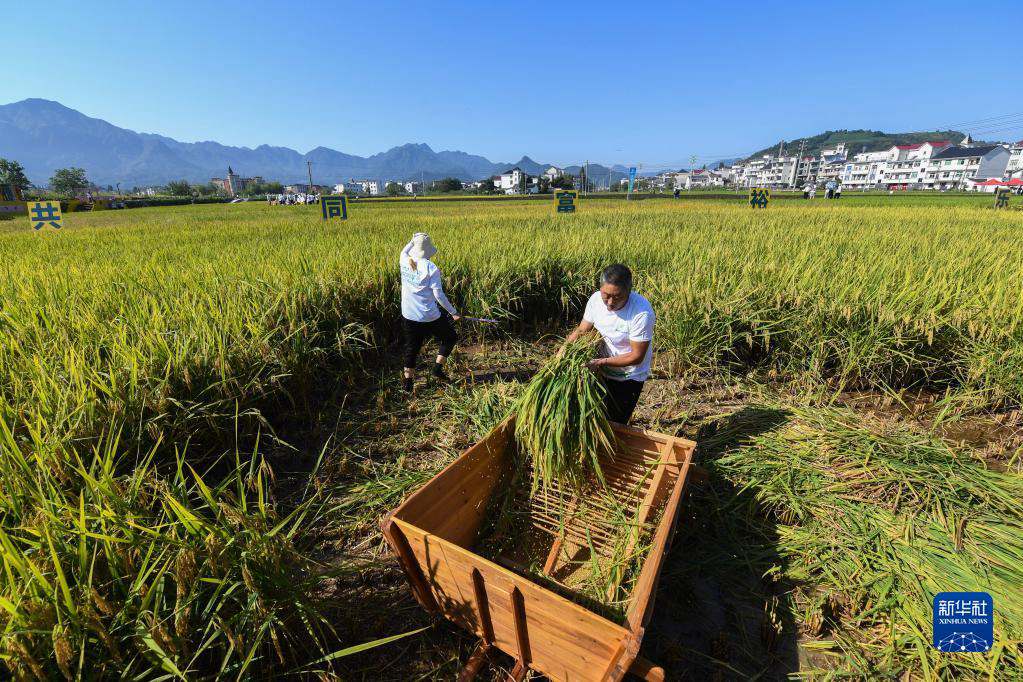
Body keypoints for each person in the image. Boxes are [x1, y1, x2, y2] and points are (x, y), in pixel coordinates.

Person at [565, 264, 655, 425]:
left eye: (617, 297)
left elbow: (636, 356)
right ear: (600, 287)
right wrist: (565, 349)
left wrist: (600, 362)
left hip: (628, 376)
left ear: (629, 292)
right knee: (590, 419)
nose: (610, 302)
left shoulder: (641, 313)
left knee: (613, 424)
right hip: (601, 371)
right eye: (606, 295)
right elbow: (582, 330)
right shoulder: (595, 300)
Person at [399, 232, 460, 392]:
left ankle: (408, 384)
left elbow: (405, 250)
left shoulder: (404, 259)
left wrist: (412, 241)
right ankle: (437, 369)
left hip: (409, 314)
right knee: (450, 337)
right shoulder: (431, 267)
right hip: (429, 316)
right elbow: (438, 295)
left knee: (411, 348)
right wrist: (453, 312)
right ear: (427, 251)